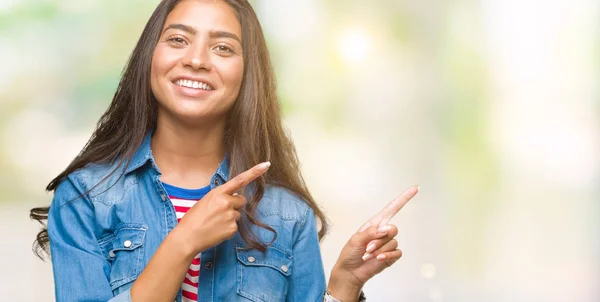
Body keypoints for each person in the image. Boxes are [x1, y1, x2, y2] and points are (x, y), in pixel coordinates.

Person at [29, 0, 418, 301]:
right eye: (178, 39)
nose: (196, 60)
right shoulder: (85, 198)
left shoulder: (287, 214)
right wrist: (184, 242)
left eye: (223, 48)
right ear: (150, 56)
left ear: (247, 74)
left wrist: (344, 284)